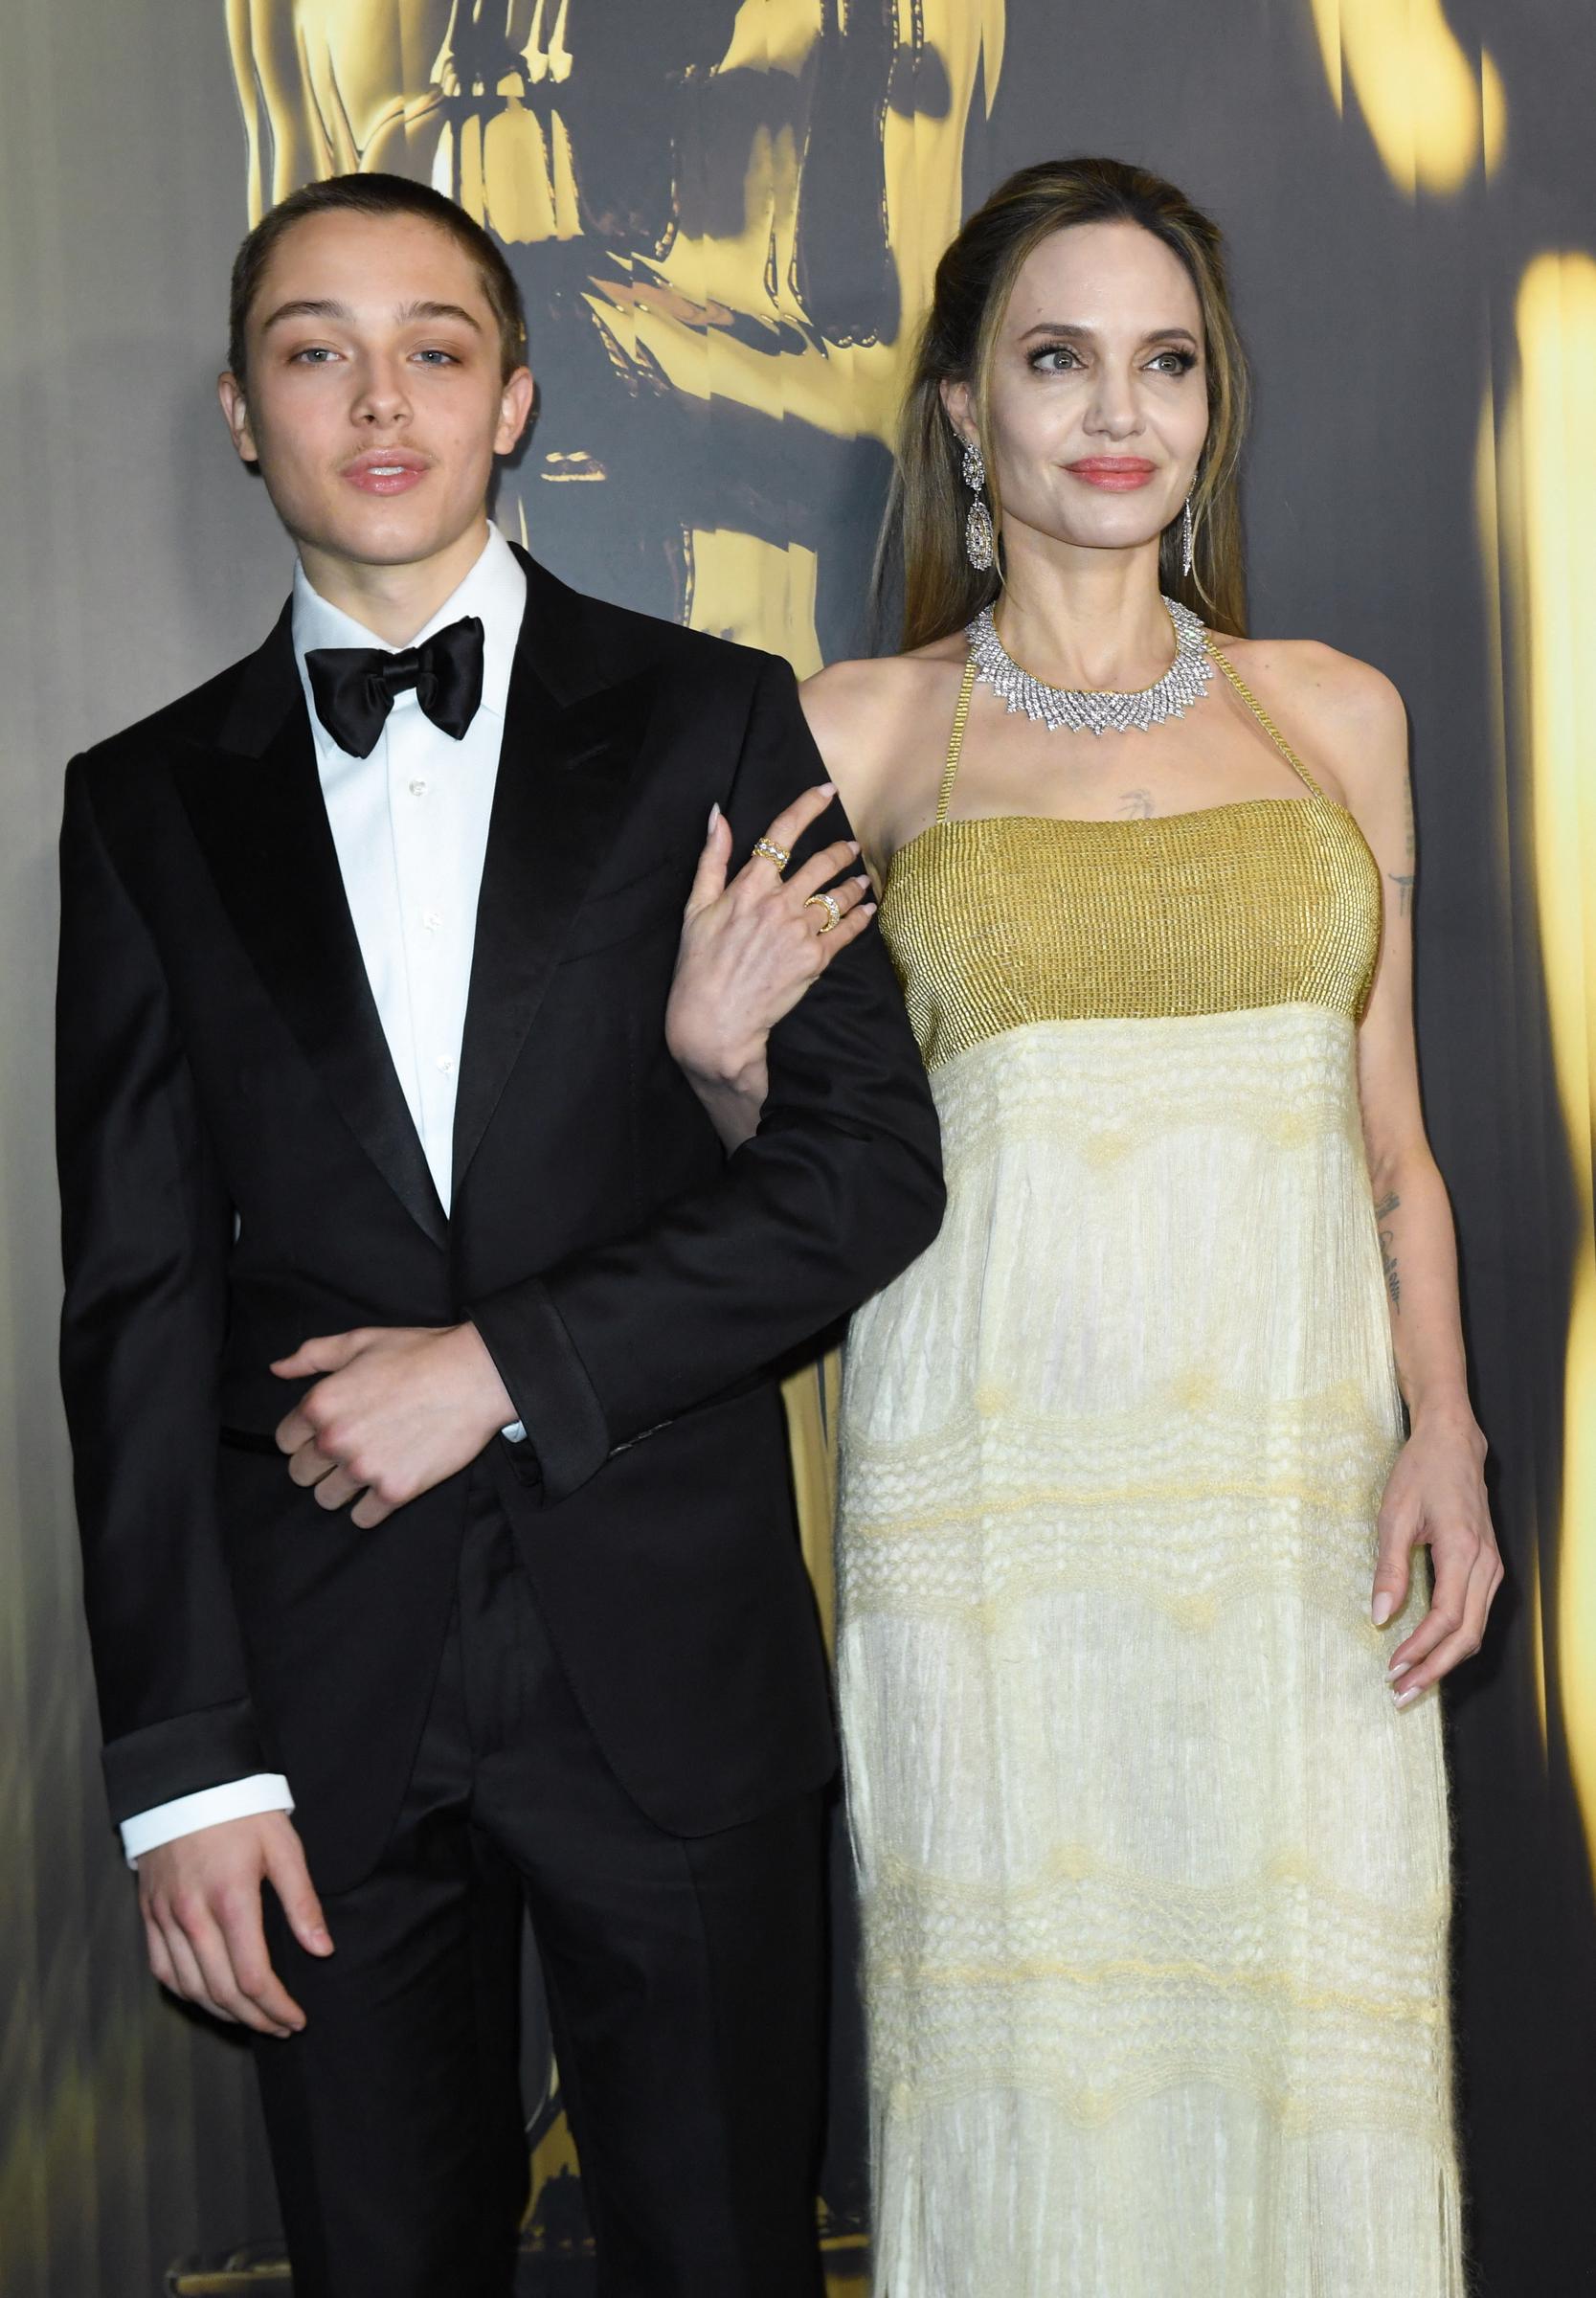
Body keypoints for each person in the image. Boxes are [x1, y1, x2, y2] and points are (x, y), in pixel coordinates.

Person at [55, 170, 942, 2298]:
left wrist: (493, 1370)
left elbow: (861, 1172)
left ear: (516, 395)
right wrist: (182, 1773)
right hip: (317, 1693)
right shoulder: (143, 802)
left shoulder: (723, 716)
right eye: (314, 350)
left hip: (672, 1650)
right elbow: (137, 1307)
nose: (381, 399)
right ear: (238, 414)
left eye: (434, 348)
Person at [665, 156, 1501, 2296]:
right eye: (1057, 360)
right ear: (964, 408)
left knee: (1326, 2070)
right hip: (997, 1525)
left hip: (1297, 1515)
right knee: (1029, 2082)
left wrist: (1453, 1443)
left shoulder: (1341, 713)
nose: (1115, 415)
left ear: (1215, 406)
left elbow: (1391, 1147)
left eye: (1165, 363)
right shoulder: (855, 736)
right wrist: (713, 1055)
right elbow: (802, 1180)